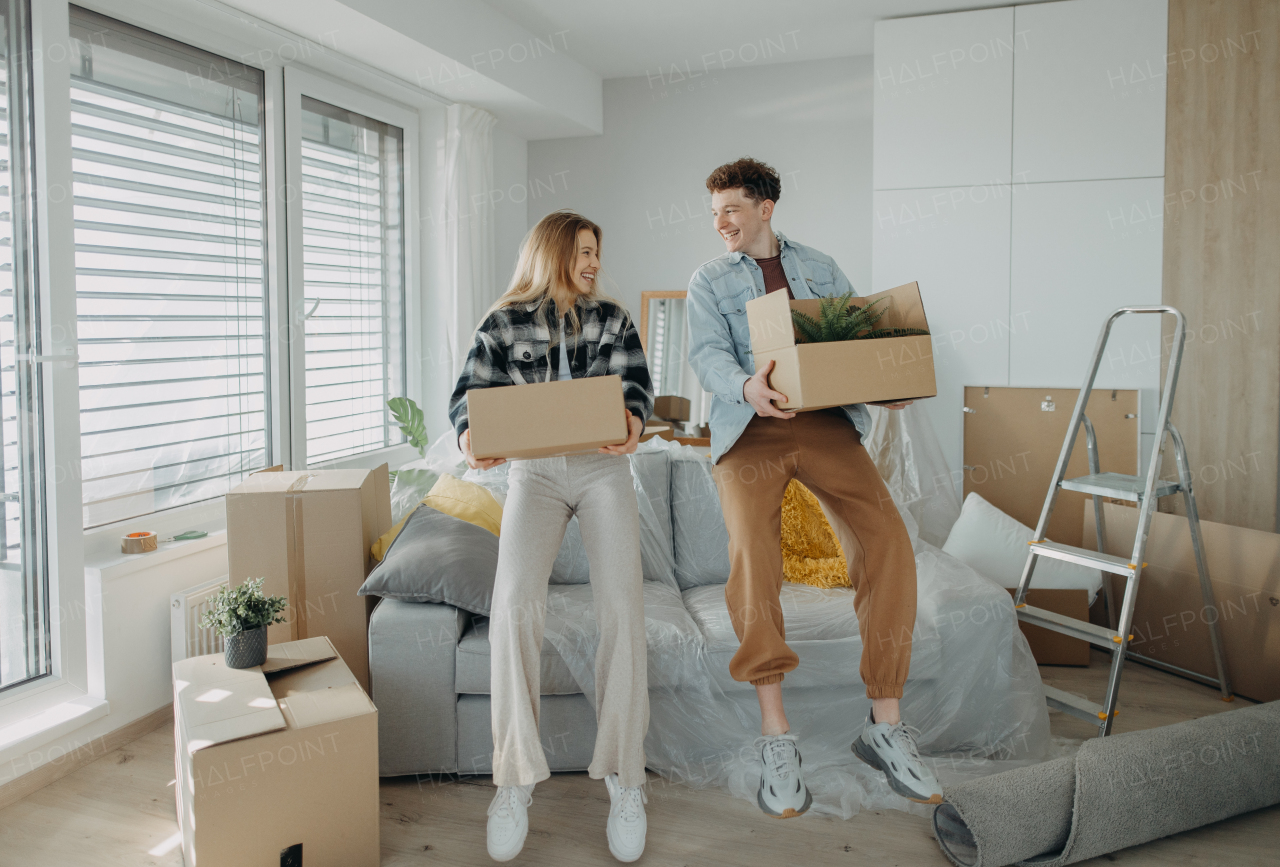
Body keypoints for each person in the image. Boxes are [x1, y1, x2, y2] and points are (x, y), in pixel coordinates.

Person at [685, 157, 942, 818]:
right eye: (714, 213)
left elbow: (858, 343)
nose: (722, 224)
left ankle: (884, 722)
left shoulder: (822, 268)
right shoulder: (709, 280)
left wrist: (887, 389)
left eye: (732, 209)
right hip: (750, 429)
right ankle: (777, 735)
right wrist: (748, 386)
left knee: (888, 542)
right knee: (754, 559)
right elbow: (709, 354)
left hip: (826, 425)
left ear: (766, 207)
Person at [448, 211, 655, 862]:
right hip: (532, 473)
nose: (594, 262)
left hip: (601, 468)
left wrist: (633, 423)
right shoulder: (503, 322)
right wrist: (469, 437)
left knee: (622, 605)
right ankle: (512, 782)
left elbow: (639, 393)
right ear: (556, 251)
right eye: (585, 250)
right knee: (512, 608)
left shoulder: (613, 318)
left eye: (598, 251)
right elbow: (466, 399)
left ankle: (626, 778)